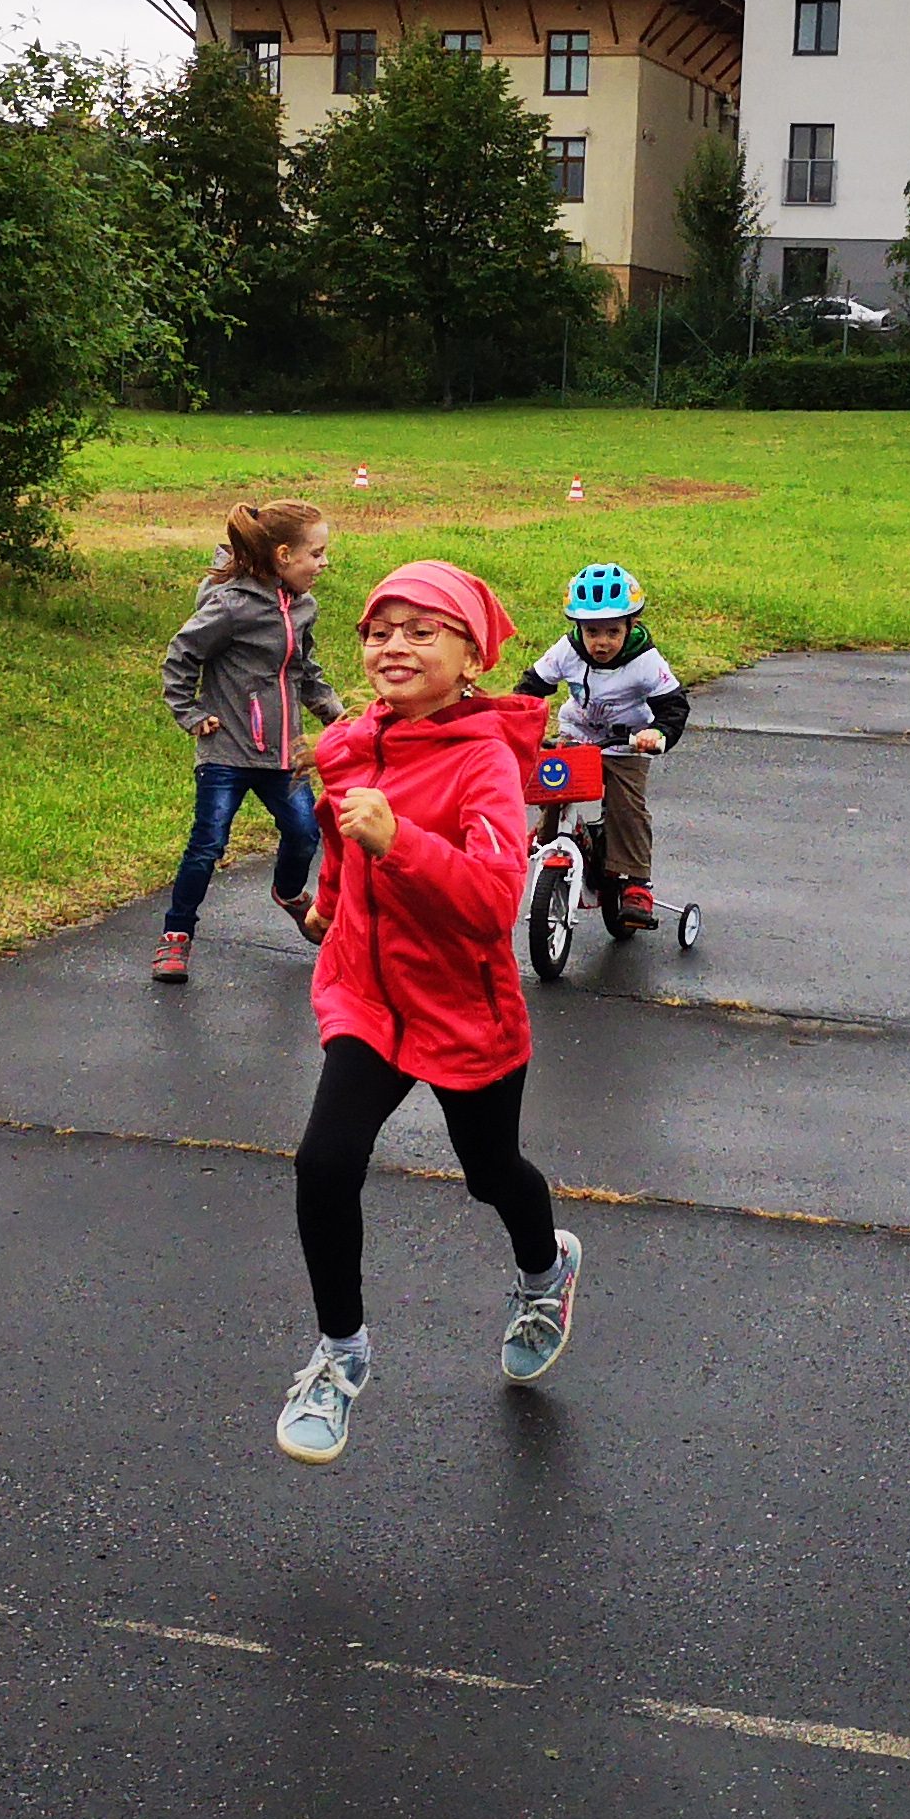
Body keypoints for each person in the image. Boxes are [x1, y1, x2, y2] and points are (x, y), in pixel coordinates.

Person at [273, 559, 581, 1467]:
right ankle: (341, 1354)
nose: (393, 646)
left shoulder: (484, 760)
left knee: (491, 1173)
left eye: (421, 631)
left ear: (471, 657)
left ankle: (545, 1269)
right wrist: (332, 904)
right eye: (379, 631)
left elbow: (492, 904)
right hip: (367, 996)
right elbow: (342, 836)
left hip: (461, 1008)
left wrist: (400, 840)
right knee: (325, 1162)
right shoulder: (349, 742)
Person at [153, 500, 342, 983]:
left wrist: (341, 719)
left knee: (305, 832)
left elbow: (305, 673)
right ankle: (176, 935)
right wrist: (190, 714)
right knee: (208, 844)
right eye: (316, 554)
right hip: (227, 751)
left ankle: (289, 892)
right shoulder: (232, 606)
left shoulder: (303, 608)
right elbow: (182, 654)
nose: (324, 563)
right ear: (283, 555)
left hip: (284, 754)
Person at [514, 561, 692, 926]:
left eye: (613, 631)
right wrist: (516, 722)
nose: (602, 642)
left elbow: (673, 706)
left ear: (631, 625)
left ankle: (635, 883)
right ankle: (548, 837)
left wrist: (657, 733)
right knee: (553, 785)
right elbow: (531, 687)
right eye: (592, 631)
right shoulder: (567, 650)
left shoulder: (644, 660)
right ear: (578, 628)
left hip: (626, 744)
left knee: (626, 805)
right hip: (577, 735)